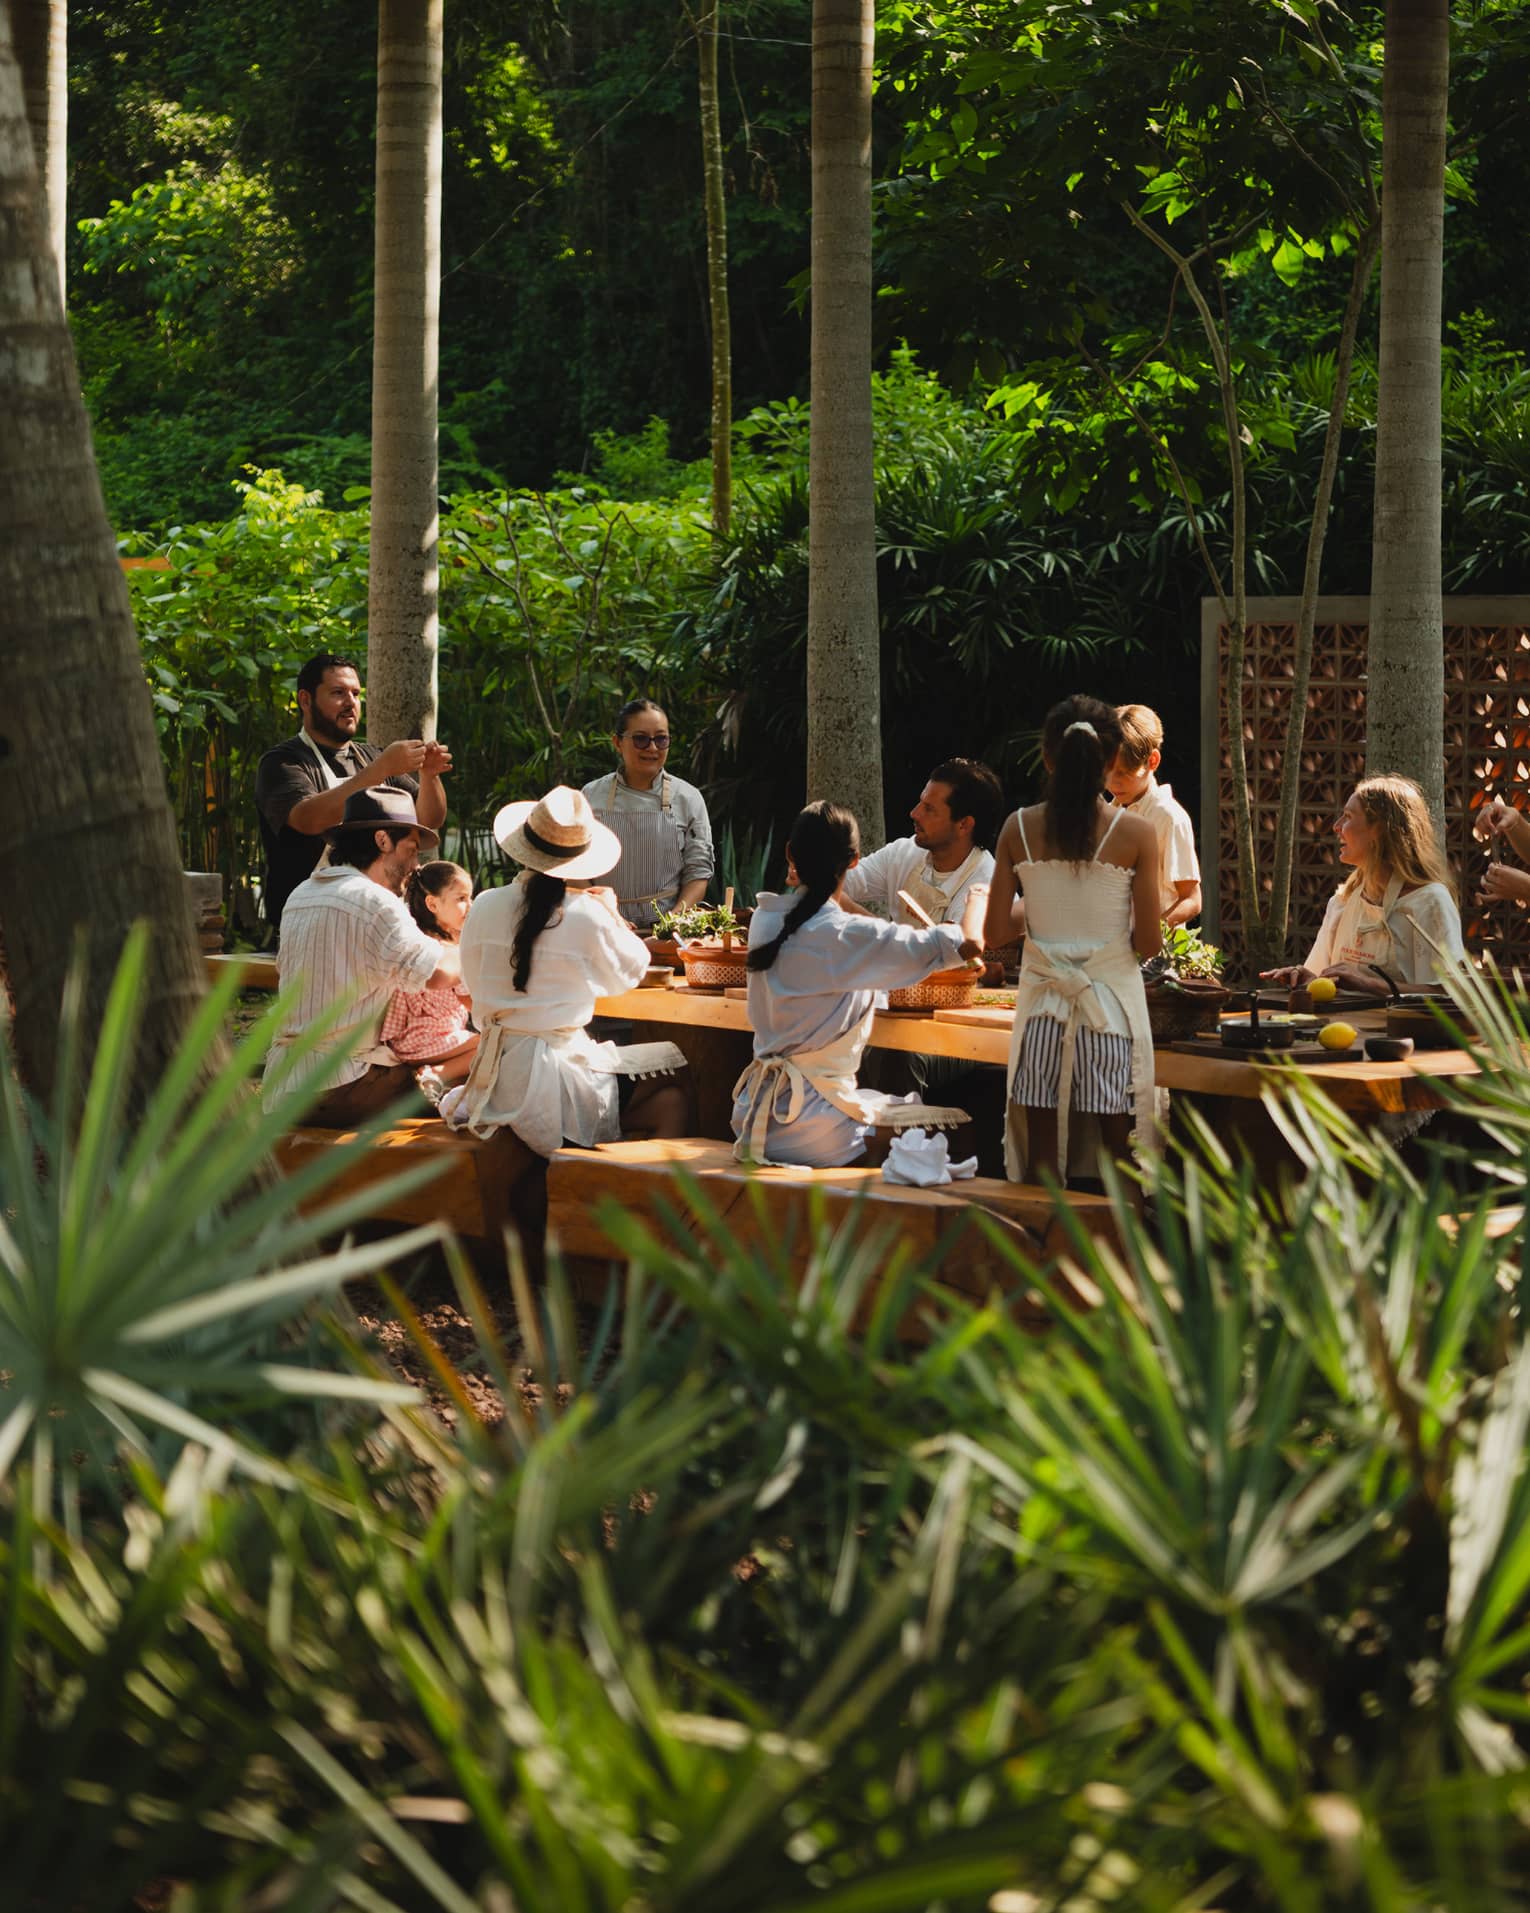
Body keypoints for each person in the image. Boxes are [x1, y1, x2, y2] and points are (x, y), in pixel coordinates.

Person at [731, 801, 985, 1168]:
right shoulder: (843, 934)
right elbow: (968, 944)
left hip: (754, 1114)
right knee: (955, 1129)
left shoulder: (766, 921)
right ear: (853, 861)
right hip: (813, 1130)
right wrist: (978, 896)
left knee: (889, 1104)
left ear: (790, 854)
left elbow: (832, 934)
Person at [443, 787, 689, 1155]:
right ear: (581, 859)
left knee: (661, 1083)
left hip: (497, 1076)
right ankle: (648, 1199)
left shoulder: (483, 905)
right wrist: (611, 912)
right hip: (558, 1078)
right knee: (675, 1083)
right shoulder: (586, 913)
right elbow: (632, 970)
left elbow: (473, 980)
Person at [984, 697, 1161, 1188]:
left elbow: (996, 932)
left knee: (1043, 1158)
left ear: (1046, 758)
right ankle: (1122, 1253)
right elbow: (1149, 942)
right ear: (1110, 761)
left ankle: (1045, 1252)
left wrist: (1044, 919)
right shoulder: (1138, 833)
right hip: (1110, 1015)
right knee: (1118, 1155)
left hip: (1043, 1011)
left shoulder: (1016, 828)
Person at [263, 789, 460, 1124]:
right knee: (465, 1079)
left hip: (281, 1085)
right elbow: (439, 974)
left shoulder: (302, 892)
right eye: (411, 851)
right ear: (383, 840)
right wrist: (469, 943)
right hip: (338, 1086)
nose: (415, 866)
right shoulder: (375, 902)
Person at [256, 652, 451, 935]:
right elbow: (308, 818)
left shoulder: (372, 756)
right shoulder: (283, 761)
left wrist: (429, 775)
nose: (351, 703)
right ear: (305, 700)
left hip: (378, 921)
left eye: (356, 693)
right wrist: (381, 769)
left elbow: (427, 818)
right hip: (309, 925)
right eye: (338, 693)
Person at [1261, 775, 1465, 995]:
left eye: (1348, 817)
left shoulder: (1429, 902)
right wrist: (1305, 979)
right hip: (1339, 1029)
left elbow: (1450, 994)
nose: (1336, 827)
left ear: (1380, 829)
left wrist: (1370, 985)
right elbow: (1323, 979)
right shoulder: (1342, 903)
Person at [581, 697, 714, 932]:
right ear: (617, 742)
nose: (652, 748)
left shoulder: (688, 798)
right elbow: (572, 867)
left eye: (661, 739)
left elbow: (698, 872)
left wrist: (670, 924)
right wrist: (606, 914)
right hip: (600, 929)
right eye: (641, 739)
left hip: (670, 933)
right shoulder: (591, 796)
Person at [841, 758, 1002, 926]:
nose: (914, 814)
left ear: (964, 825)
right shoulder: (904, 853)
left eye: (929, 809)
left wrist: (850, 908)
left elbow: (949, 949)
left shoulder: (986, 887)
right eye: (921, 803)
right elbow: (839, 883)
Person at [380, 861, 480, 1087]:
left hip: (405, 1039)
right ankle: (435, 1074)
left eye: (470, 897)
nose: (470, 905)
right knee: (497, 1044)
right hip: (427, 1040)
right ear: (432, 904)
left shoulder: (416, 942)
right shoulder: (450, 953)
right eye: (461, 899)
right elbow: (470, 1001)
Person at [1104, 704, 1202, 928]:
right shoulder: (1109, 813)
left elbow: (1192, 899)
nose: (1113, 783)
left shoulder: (1168, 817)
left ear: (1152, 761)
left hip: (1154, 958)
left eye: (1124, 773)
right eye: (1107, 772)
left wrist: (1148, 933)